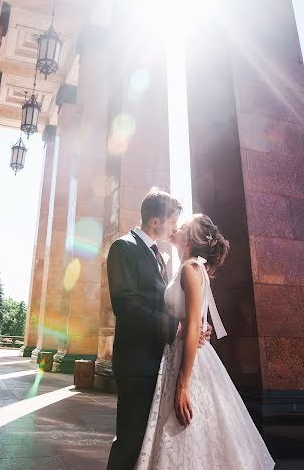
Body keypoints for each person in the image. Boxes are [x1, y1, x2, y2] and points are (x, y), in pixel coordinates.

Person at [136, 213, 275, 469]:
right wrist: (200, 325)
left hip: (186, 357)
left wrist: (183, 385)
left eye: (184, 224)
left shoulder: (190, 268)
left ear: (191, 238)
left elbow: (191, 328)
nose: (178, 226)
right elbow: (194, 319)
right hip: (179, 350)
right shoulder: (190, 267)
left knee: (183, 425)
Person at [106, 188, 211, 470]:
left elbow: (164, 306)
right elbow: (125, 305)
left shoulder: (159, 257)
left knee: (145, 444)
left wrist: (194, 325)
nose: (175, 227)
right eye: (172, 221)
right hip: (136, 363)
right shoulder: (123, 247)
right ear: (155, 221)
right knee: (129, 441)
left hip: (159, 363)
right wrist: (177, 327)